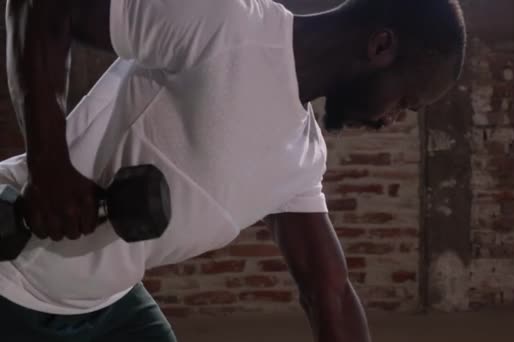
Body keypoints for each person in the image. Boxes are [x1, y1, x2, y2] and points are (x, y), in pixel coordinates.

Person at [1, 0, 466, 341]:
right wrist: (49, 166)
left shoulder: (301, 159)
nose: (391, 120)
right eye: (405, 101)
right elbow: (41, 9)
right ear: (381, 45)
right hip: (14, 276)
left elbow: (331, 293)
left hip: (107, 304)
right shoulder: (227, 26)